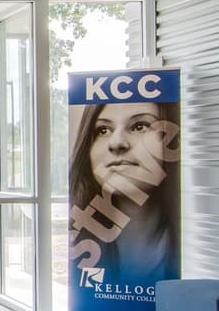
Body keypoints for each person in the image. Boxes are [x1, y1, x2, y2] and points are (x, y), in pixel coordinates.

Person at [67, 100, 181, 289]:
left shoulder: (187, 250)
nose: (117, 143)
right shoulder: (83, 248)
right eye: (102, 130)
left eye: (140, 126)